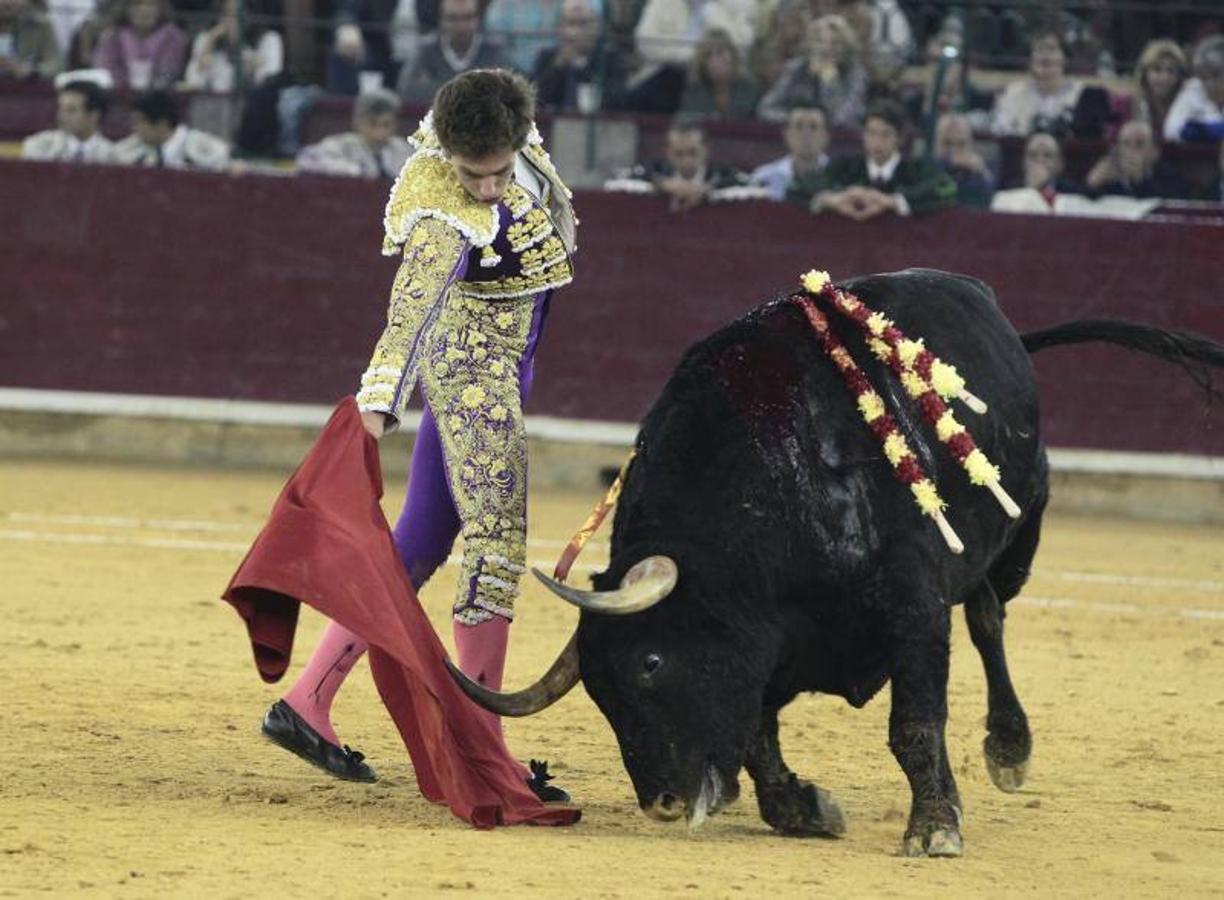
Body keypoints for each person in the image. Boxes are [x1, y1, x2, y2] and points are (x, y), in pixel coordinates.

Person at [261, 69, 576, 803]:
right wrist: (378, 403)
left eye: (499, 171)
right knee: (495, 547)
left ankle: (306, 701)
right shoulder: (438, 198)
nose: (490, 188)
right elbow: (412, 305)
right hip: (473, 371)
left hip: (504, 362)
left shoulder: (510, 133)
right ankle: (486, 752)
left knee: (421, 541)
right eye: (476, 174)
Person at [799, 98, 955, 219]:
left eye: (886, 134)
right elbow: (798, 186)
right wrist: (833, 199)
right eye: (871, 133)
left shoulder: (916, 169)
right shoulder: (845, 166)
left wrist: (892, 201)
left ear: (900, 138)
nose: (877, 142)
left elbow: (946, 189)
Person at [609, 120, 755, 212]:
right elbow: (613, 183)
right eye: (679, 154)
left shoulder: (723, 173)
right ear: (667, 152)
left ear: (706, 149)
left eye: (693, 153)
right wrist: (662, 185)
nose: (686, 160)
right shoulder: (653, 170)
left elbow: (756, 188)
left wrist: (707, 190)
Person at [757, 13, 867, 128]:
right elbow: (765, 109)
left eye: (835, 43)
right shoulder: (796, 68)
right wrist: (795, 119)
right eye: (820, 41)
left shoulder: (855, 74)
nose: (826, 48)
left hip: (840, 141)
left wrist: (829, 79)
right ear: (810, 44)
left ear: (845, 47)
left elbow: (842, 119)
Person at [397, 0, 513, 104]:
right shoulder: (425, 51)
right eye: (452, 18)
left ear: (478, 19)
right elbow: (406, 90)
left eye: (467, 18)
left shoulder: (494, 52)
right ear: (441, 20)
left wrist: (434, 86)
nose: (460, 26)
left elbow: (510, 92)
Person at [531, 0, 628, 113]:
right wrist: (559, 64)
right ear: (560, 28)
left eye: (584, 23)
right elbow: (536, 98)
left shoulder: (611, 58)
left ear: (598, 26)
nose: (576, 31)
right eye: (571, 23)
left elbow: (616, 100)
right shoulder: (547, 57)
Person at [296, 88, 410, 178]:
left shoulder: (402, 149)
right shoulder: (343, 144)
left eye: (386, 125)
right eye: (373, 124)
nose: (380, 131)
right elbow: (306, 159)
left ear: (395, 125)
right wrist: (356, 171)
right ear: (358, 123)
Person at [991, 29, 1083, 138]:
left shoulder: (1080, 93)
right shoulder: (1013, 92)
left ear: (1064, 59)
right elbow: (1000, 129)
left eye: (1051, 49)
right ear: (1030, 61)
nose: (1045, 56)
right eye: (1039, 50)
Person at [183, 0, 284, 93]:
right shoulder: (206, 38)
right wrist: (210, 43)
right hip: (213, 107)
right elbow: (193, 83)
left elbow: (267, 82)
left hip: (250, 107)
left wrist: (241, 52)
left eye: (238, 14)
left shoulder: (269, 39)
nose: (231, 21)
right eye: (226, 14)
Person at [113, 90, 230, 170]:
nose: (134, 128)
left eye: (139, 122)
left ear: (162, 124)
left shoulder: (201, 147)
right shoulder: (129, 148)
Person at [91, 0, 187, 90]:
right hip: (118, 93)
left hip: (161, 95)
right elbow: (104, 68)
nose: (144, 10)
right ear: (127, 9)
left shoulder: (173, 36)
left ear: (161, 9)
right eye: (137, 4)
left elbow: (169, 70)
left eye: (151, 4)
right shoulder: (113, 35)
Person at [1084, 120, 1190, 200]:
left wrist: (1140, 182)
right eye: (1126, 143)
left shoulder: (1170, 177)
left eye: (1140, 144)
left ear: (1154, 152)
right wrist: (1092, 185)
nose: (1132, 150)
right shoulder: (1109, 174)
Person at [21, 79, 116, 163]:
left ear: (93, 115)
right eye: (61, 109)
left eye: (71, 110)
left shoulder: (113, 156)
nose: (62, 116)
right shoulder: (39, 146)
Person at [749, 103, 829, 201]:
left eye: (813, 127)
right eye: (798, 126)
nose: (806, 134)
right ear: (787, 134)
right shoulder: (763, 178)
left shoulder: (839, 178)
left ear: (825, 136)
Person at [677, 27, 759, 121]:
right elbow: (687, 121)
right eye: (708, 55)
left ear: (733, 55)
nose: (715, 61)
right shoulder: (694, 89)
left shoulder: (750, 88)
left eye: (720, 53)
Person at [1163, 35, 1224, 143]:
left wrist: (1199, 128)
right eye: (1203, 77)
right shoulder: (1193, 88)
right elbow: (1170, 130)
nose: (1209, 84)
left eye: (1215, 75)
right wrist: (1208, 131)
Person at [932, 111, 994, 208]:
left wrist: (982, 171)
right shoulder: (929, 169)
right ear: (936, 144)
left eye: (961, 144)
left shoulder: (979, 169)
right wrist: (947, 162)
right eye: (947, 143)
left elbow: (989, 200)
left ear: (970, 144)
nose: (954, 150)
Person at [1131, 38, 1188, 140]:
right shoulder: (1131, 104)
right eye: (1157, 69)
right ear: (1145, 73)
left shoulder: (1188, 103)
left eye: (1171, 71)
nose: (1164, 78)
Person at [0, 0, 62, 80]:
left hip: (21, 87)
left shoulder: (40, 25)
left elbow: (56, 64)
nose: (8, 2)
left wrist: (32, 71)